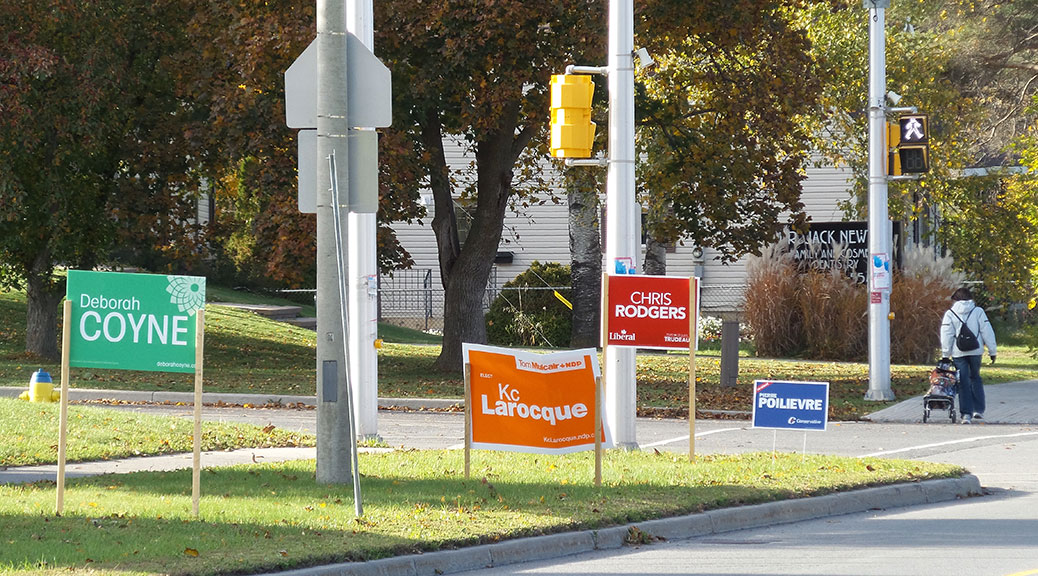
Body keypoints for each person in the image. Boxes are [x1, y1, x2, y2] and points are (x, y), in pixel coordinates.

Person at [940, 287, 997, 424]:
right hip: (975, 351)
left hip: (958, 352)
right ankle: (978, 409)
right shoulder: (978, 311)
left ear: (956, 299)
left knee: (963, 382)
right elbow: (987, 331)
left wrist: (945, 354)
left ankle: (966, 414)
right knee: (975, 377)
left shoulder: (950, 313)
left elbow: (947, 334)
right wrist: (992, 351)